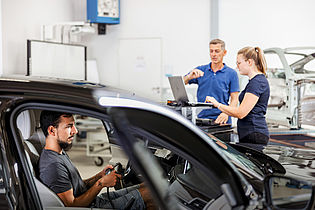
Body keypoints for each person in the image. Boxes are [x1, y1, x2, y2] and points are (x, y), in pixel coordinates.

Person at [38, 110, 155, 209]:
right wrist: (101, 184)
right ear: (52, 130)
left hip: (95, 201)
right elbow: (72, 206)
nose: (75, 131)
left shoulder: (58, 153)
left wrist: (99, 176)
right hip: (91, 207)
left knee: (149, 187)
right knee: (151, 195)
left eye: (73, 125)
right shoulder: (53, 165)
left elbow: (76, 188)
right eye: (69, 126)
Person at [207, 47, 270, 150]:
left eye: (239, 63)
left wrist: (217, 104)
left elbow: (241, 113)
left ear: (249, 62)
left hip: (254, 134)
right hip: (249, 133)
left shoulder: (257, 83)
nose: (237, 67)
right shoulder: (253, 82)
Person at [183, 39, 239, 124]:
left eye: (217, 51)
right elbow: (182, 83)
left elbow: (235, 99)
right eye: (211, 51)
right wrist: (189, 76)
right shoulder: (201, 70)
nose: (213, 54)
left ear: (224, 53)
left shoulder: (232, 73)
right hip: (201, 120)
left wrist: (227, 113)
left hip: (222, 120)